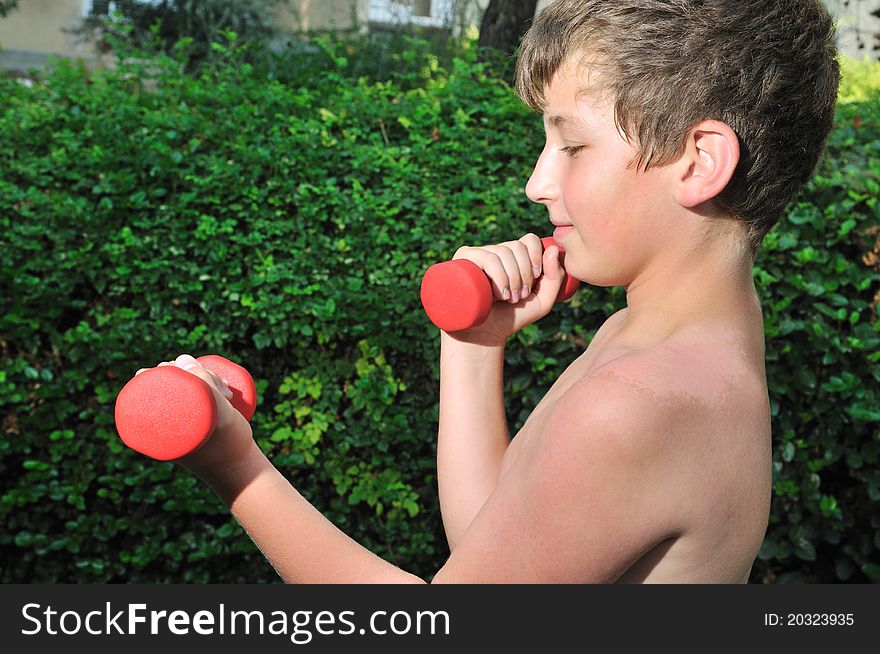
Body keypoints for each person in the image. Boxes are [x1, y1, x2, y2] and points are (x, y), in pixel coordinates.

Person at [138, 0, 840, 583]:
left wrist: (236, 468)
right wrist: (473, 347)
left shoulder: (637, 405)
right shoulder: (659, 342)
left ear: (700, 161)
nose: (537, 184)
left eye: (572, 147)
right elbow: (493, 542)